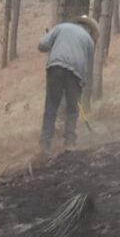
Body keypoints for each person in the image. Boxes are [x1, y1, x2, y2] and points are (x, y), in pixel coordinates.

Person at [38, 15, 99, 151]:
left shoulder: (61, 27)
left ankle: (44, 143)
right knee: (72, 110)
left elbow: (42, 45)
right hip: (75, 73)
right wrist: (81, 84)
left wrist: (52, 44)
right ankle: (70, 142)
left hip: (56, 67)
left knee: (51, 107)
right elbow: (85, 66)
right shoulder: (89, 41)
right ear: (90, 29)